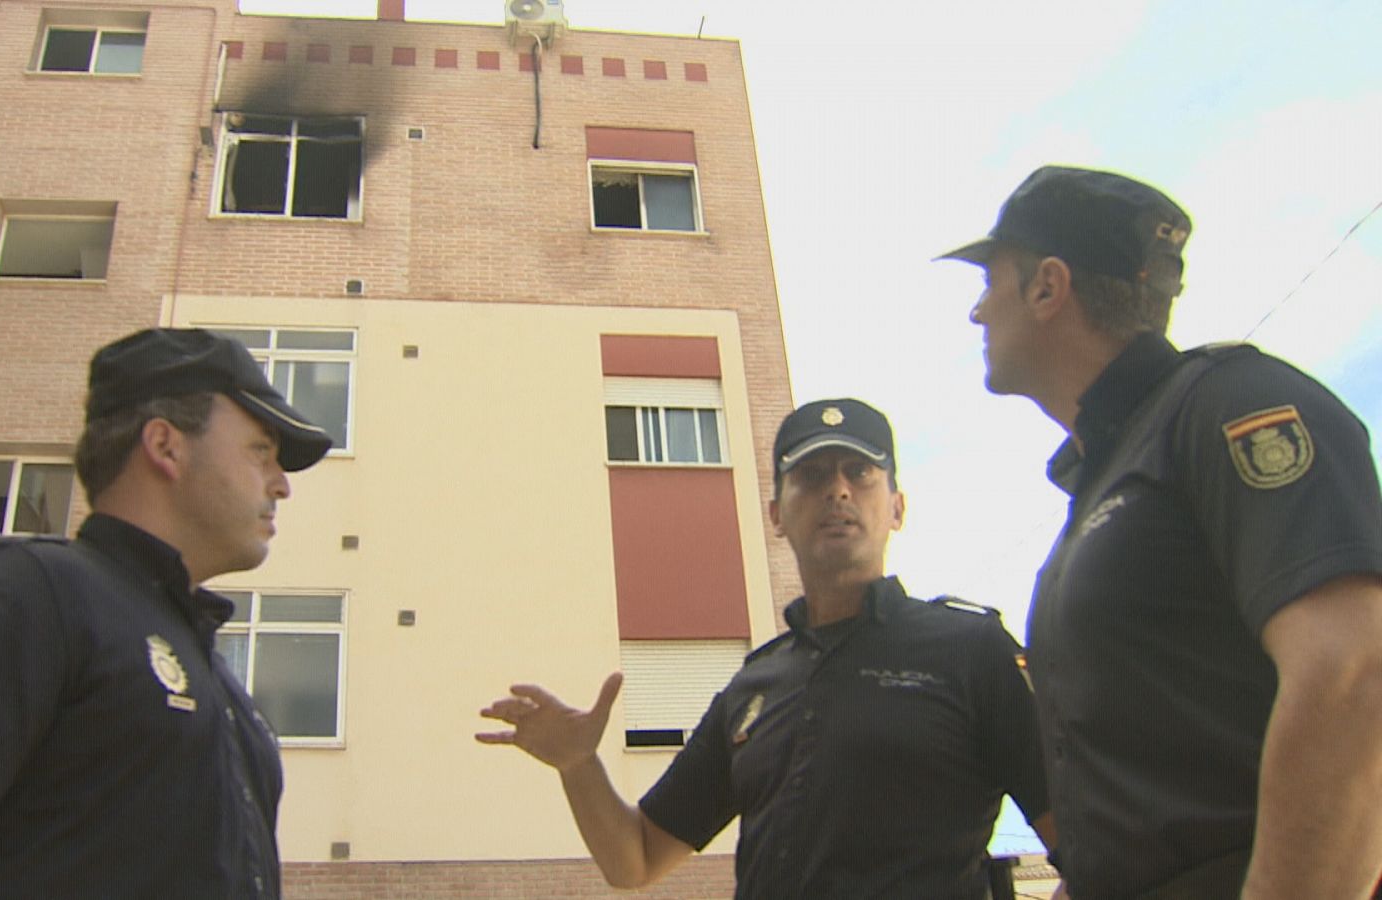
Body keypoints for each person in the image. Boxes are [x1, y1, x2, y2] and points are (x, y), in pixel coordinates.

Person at [937, 165, 1382, 899]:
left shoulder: (1231, 404)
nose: (978, 312)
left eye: (991, 281)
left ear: (1049, 287)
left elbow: (1354, 675)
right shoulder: (1109, 477)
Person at [0, 328, 333, 899]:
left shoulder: (218, 678)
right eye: (261, 451)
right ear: (165, 446)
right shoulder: (35, 591)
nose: (281, 485)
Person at [478, 398, 1054, 899]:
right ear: (777, 514)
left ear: (898, 508)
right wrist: (579, 766)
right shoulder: (754, 686)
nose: (838, 489)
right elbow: (636, 859)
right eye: (810, 475)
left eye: (860, 472)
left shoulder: (971, 651)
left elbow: (1089, 841)